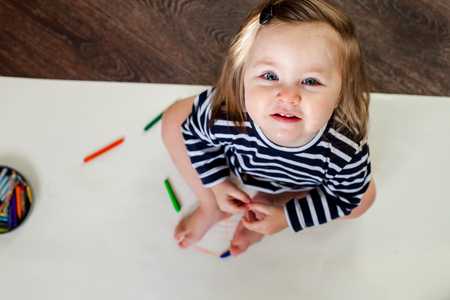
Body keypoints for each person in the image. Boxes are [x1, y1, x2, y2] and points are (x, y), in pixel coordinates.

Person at [161, 0, 376, 257]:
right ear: (242, 76)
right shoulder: (229, 113)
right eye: (270, 76)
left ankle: (274, 204)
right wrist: (216, 184)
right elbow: (192, 133)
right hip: (238, 168)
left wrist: (287, 218)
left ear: (341, 93)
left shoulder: (344, 147)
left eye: (310, 81)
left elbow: (345, 198)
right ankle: (211, 207)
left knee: (364, 199)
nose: (287, 96)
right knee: (174, 120)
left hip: (303, 184)